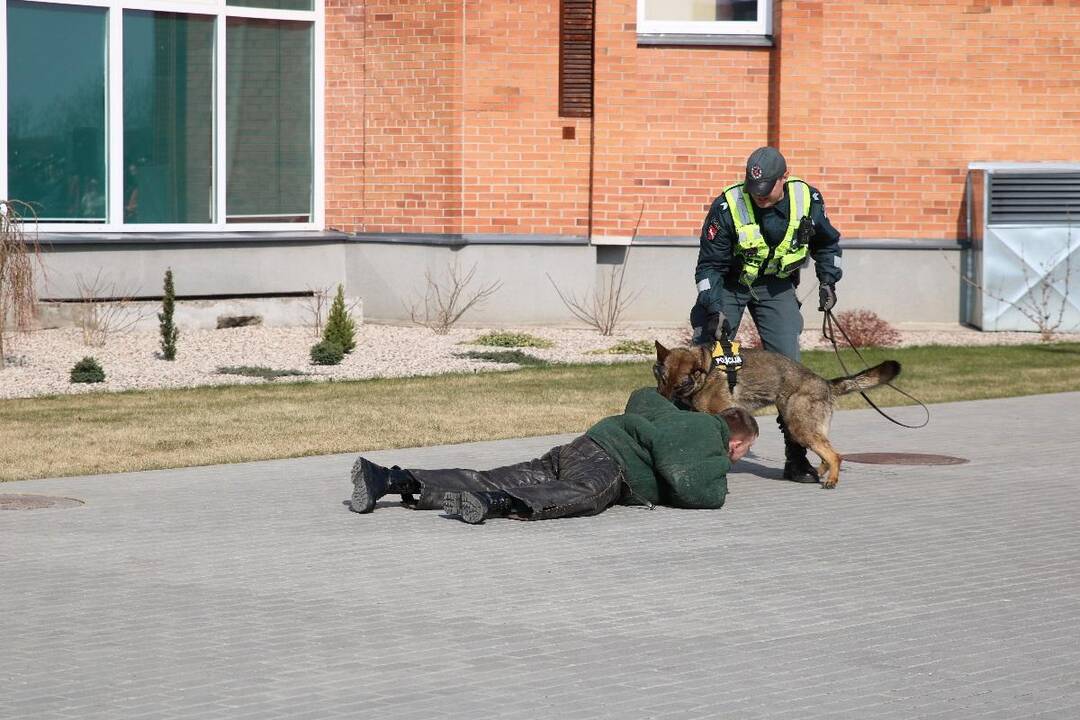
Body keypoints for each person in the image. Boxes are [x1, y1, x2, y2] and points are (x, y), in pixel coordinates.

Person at [348, 387, 759, 524]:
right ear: (736, 443)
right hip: (606, 465)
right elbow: (693, 487)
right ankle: (499, 504)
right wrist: (719, 466)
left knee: (493, 473)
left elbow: (643, 396)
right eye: (740, 455)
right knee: (584, 495)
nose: (735, 462)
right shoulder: (708, 432)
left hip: (578, 446)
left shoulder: (678, 415)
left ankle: (389, 478)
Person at [690, 146, 843, 483]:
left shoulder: (807, 200)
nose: (758, 197)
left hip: (775, 287)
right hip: (730, 284)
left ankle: (796, 458)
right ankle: (696, 451)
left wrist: (828, 282)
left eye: (766, 190)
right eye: (753, 190)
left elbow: (827, 245)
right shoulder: (728, 206)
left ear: (783, 179)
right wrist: (714, 308)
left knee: (791, 371)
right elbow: (708, 266)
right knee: (706, 360)